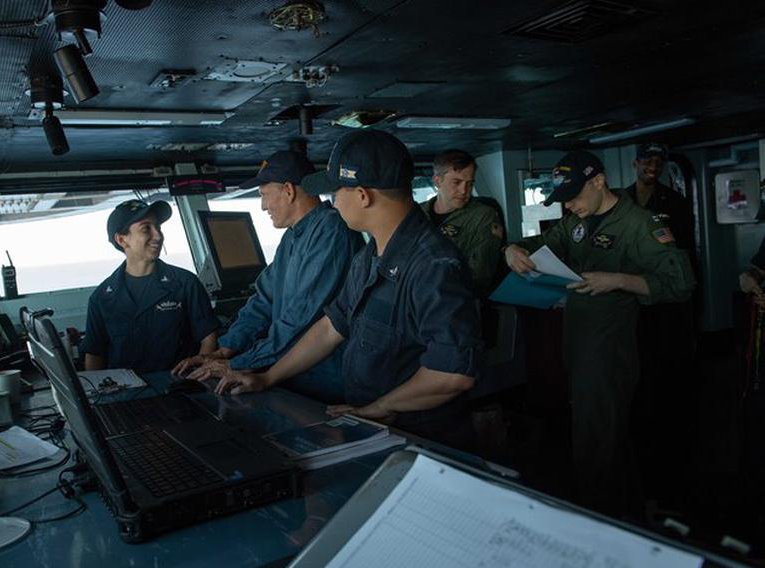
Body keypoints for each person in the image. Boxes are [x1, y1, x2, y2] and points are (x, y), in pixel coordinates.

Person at [207, 130, 483, 449]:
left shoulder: (434, 265)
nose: (333, 201)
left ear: (363, 196)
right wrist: (266, 377)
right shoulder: (368, 257)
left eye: (337, 190)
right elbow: (329, 328)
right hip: (371, 423)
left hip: (421, 437)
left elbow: (452, 374)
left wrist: (381, 407)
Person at [504, 150, 695, 513]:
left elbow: (681, 282)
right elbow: (546, 244)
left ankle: (597, 519)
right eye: (564, 199)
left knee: (595, 441)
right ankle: (629, 510)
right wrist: (513, 249)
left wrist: (619, 280)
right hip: (578, 342)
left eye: (574, 196)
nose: (570, 205)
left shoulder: (640, 224)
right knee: (605, 435)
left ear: (599, 181)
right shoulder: (577, 220)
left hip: (610, 348)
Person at [174, 150, 364, 403]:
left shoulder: (331, 231)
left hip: (327, 380)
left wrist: (242, 362)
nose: (263, 206)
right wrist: (224, 350)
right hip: (293, 376)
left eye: (263, 195)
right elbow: (264, 300)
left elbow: (302, 316)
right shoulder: (293, 237)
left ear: (288, 190)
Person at [623, 142, 697, 508]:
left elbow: (682, 256)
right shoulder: (620, 201)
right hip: (628, 304)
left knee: (663, 380)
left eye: (659, 160)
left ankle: (671, 470)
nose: (653, 165)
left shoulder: (675, 203)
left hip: (662, 306)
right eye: (647, 160)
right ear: (635, 163)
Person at [80, 199, 219, 373]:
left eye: (158, 227)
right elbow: (94, 354)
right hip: (127, 393)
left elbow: (208, 337)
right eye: (146, 228)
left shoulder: (185, 283)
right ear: (122, 240)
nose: (158, 236)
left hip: (179, 387)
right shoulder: (101, 297)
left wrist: (198, 379)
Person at [421, 149, 504, 297]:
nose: (464, 190)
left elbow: (479, 277)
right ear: (437, 181)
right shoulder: (416, 214)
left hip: (456, 302)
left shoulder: (483, 216)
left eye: (470, 184)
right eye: (457, 182)